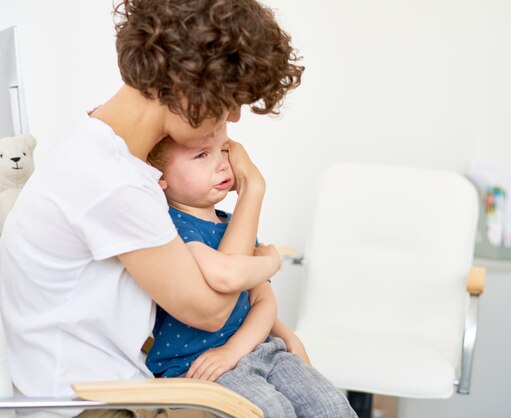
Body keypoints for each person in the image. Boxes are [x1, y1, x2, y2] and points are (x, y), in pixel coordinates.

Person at [0, 0, 306, 417]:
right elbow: (211, 312)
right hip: (91, 407)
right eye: (229, 98)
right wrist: (252, 189)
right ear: (183, 84)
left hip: (121, 387)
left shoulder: (108, 152)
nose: (234, 115)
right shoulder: (110, 180)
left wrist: (275, 327)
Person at [144, 127, 357, 418]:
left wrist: (240, 349)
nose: (221, 163)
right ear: (160, 177)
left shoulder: (236, 226)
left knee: (330, 405)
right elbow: (224, 273)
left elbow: (263, 302)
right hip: (199, 364)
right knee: (271, 410)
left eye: (223, 151)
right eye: (202, 155)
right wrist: (272, 261)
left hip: (260, 350)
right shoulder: (171, 227)